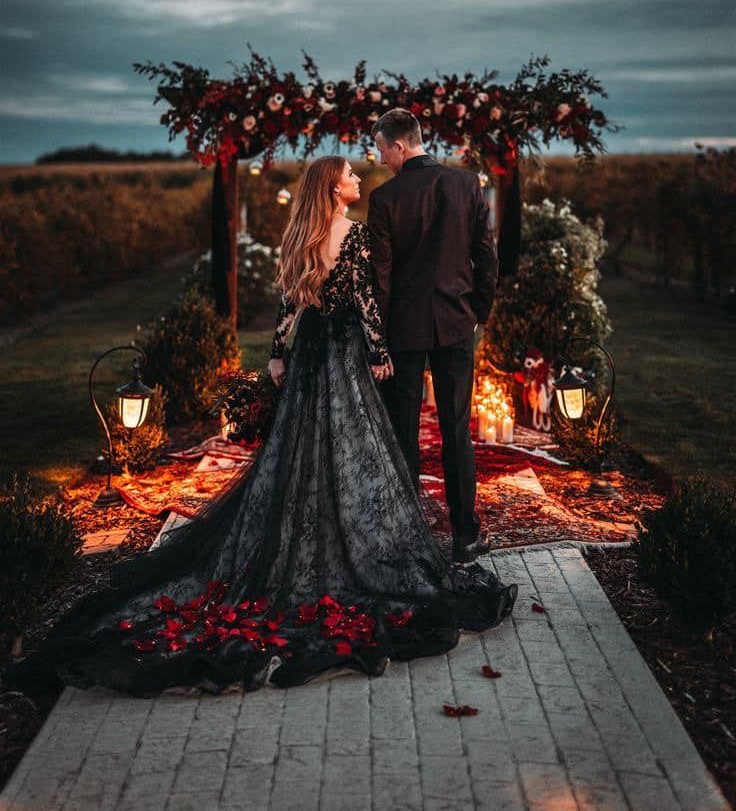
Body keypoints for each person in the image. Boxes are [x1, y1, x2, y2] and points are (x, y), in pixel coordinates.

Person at [7, 156, 516, 698]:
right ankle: (353, 530)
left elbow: (290, 302)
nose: (357, 179)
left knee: (297, 447)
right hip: (343, 351)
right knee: (353, 444)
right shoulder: (357, 235)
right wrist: (379, 351)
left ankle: (308, 520)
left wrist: (278, 355)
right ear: (334, 188)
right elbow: (367, 304)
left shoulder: (300, 235)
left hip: (307, 354)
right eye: (349, 175)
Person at [368, 109, 496, 563]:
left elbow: (380, 278)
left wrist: (377, 339)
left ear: (400, 146)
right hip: (458, 323)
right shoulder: (467, 185)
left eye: (382, 149)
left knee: (403, 431)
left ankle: (409, 536)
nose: (380, 158)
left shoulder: (384, 199)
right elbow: (486, 255)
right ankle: (465, 534)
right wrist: (477, 310)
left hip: (404, 329)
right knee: (456, 428)